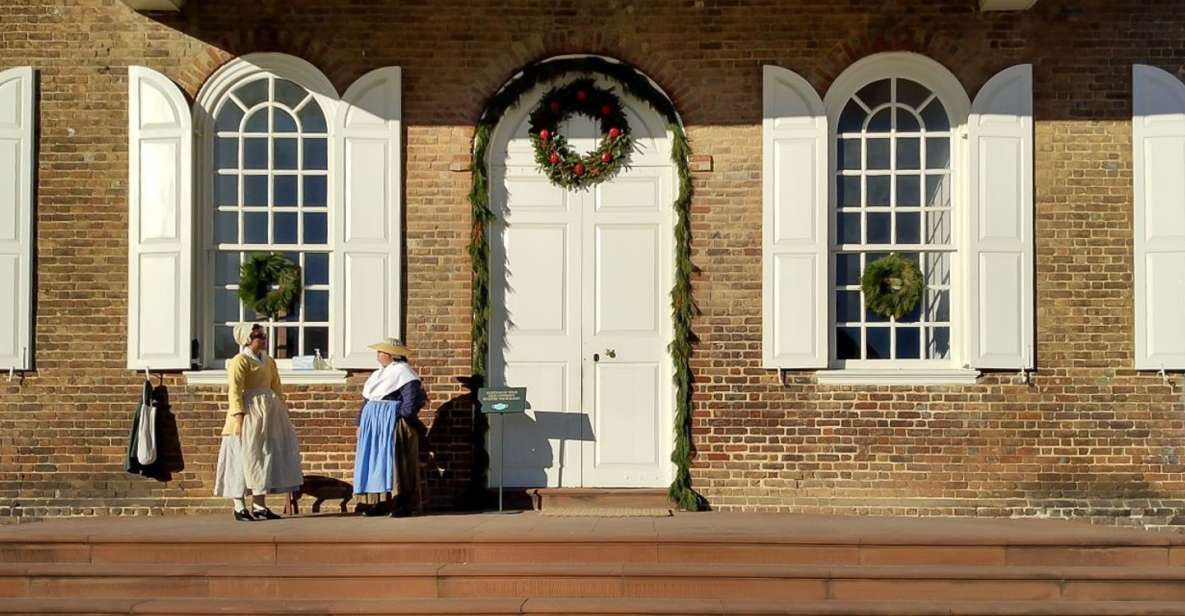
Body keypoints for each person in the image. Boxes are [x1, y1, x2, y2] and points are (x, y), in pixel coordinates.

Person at [214, 323, 304, 521]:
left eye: (263, 335)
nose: (262, 339)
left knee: (262, 457)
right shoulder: (240, 361)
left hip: (268, 414)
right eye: (258, 336)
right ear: (247, 338)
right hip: (248, 413)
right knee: (241, 457)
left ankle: (259, 505)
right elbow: (235, 390)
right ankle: (239, 506)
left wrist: (281, 411)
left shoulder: (269, 361)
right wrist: (238, 417)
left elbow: (276, 386)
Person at [353, 337, 424, 517]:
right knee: (376, 461)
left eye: (382, 351)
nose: (378, 354)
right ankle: (382, 502)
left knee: (396, 463)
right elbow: (368, 400)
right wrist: (361, 423)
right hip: (374, 426)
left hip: (394, 424)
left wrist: (390, 414)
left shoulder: (404, 373)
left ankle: (403, 503)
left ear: (392, 355)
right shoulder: (378, 374)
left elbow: (410, 404)